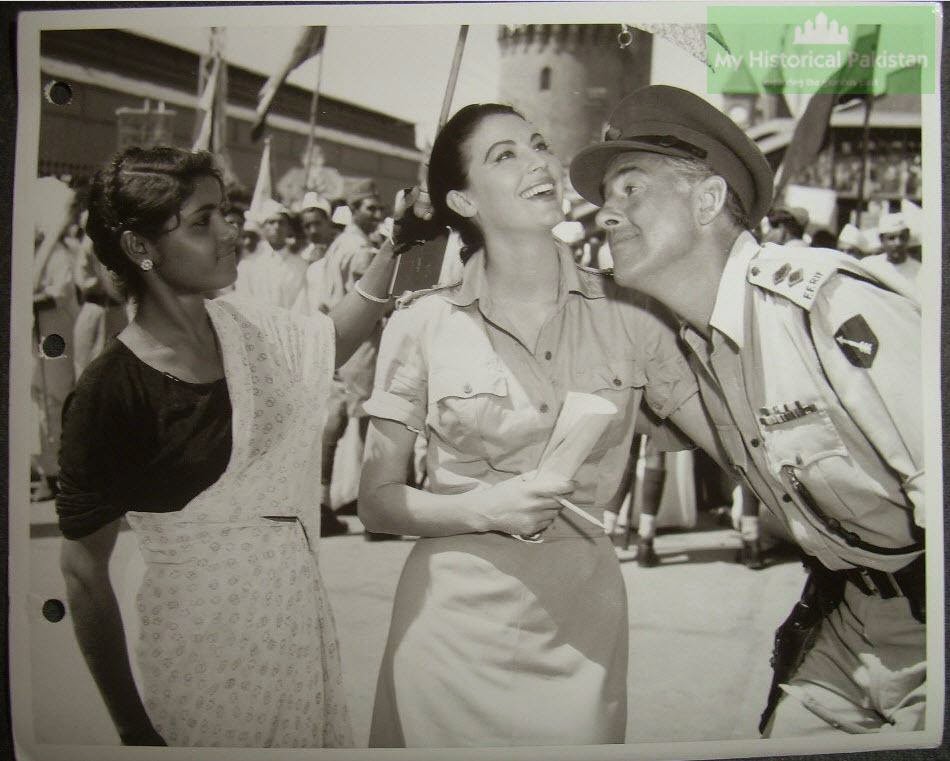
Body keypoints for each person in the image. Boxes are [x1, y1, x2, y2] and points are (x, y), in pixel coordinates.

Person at [359, 103, 720, 747]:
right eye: (506, 156)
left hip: (580, 634)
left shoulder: (632, 311)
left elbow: (732, 440)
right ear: (463, 201)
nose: (539, 163)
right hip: (450, 635)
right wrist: (486, 508)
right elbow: (377, 501)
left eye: (539, 145)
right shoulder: (421, 322)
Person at [571, 84, 925, 736]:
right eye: (606, 199)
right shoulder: (693, 344)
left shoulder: (821, 305)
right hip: (848, 622)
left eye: (631, 189)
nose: (606, 215)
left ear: (708, 201)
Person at [57, 145, 397, 747]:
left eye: (225, 214)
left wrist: (400, 243)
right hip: (201, 668)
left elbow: (330, 340)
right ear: (140, 248)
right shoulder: (111, 393)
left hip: (296, 646)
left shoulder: (250, 329)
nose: (230, 232)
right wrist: (133, 729)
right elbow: (84, 574)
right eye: (201, 222)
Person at [296, 180, 391, 539]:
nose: (377, 214)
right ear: (354, 209)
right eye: (370, 208)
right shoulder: (361, 249)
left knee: (333, 422)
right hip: (361, 342)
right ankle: (374, 514)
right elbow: (373, 299)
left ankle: (320, 504)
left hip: (335, 337)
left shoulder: (339, 244)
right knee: (369, 421)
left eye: (379, 208)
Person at [234, 198, 307, 308]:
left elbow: (301, 303)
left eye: (281, 223)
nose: (277, 227)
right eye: (271, 222)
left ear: (289, 228)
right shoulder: (248, 264)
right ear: (263, 228)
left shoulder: (300, 264)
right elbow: (243, 300)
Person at [863, 211, 920, 295]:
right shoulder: (869, 266)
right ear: (882, 240)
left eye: (902, 237)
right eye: (891, 238)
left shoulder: (919, 271)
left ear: (908, 237)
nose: (898, 243)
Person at [297, 191, 336, 263]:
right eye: (307, 226)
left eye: (317, 223)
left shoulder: (343, 248)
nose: (313, 230)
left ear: (328, 222)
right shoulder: (305, 256)